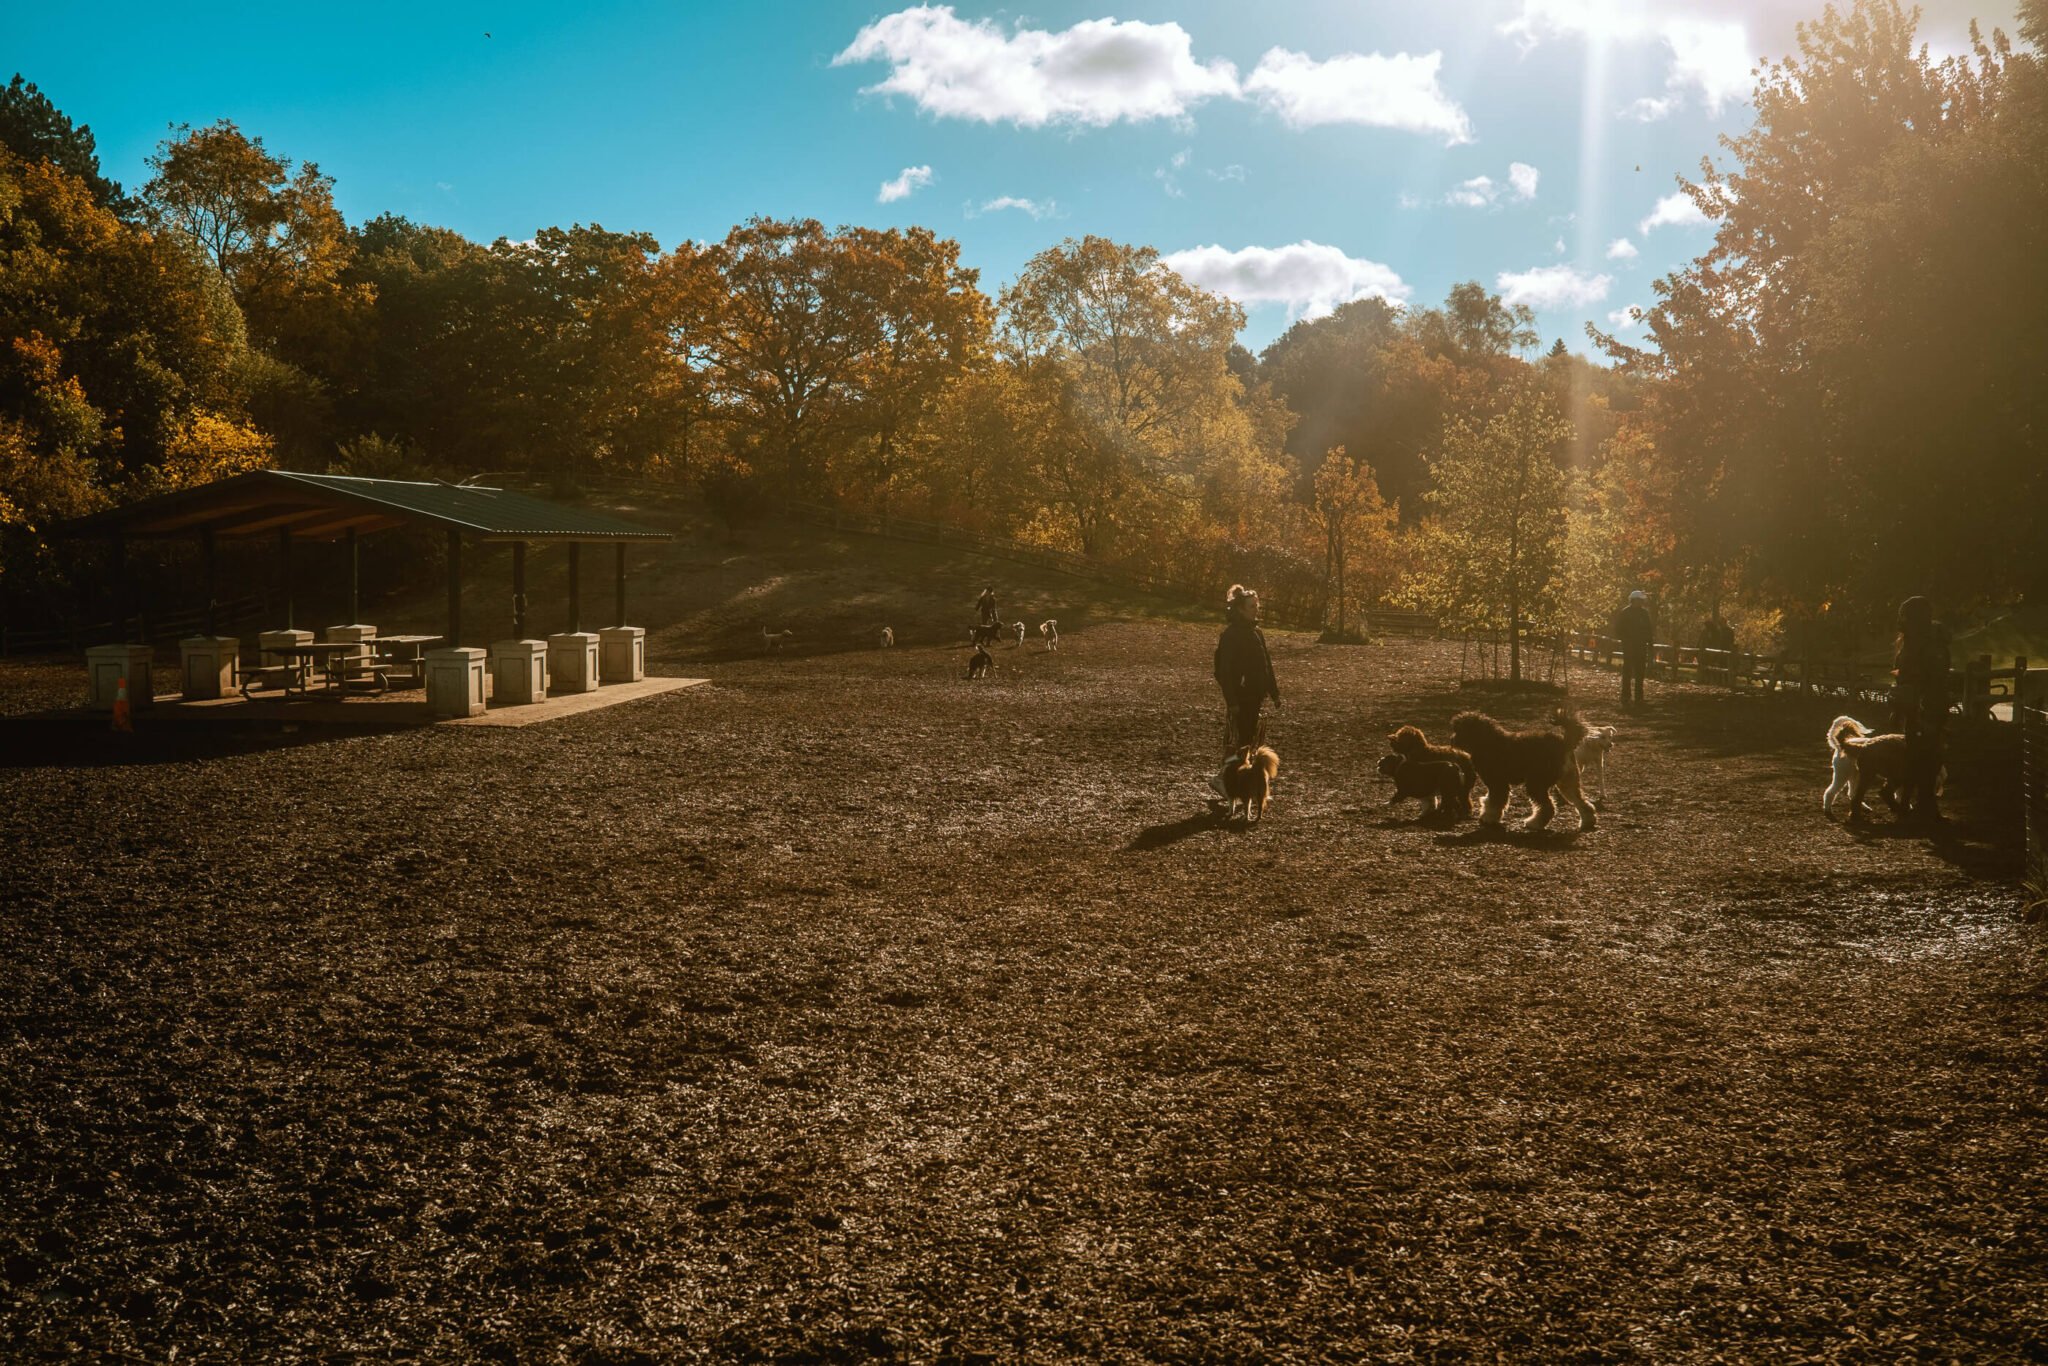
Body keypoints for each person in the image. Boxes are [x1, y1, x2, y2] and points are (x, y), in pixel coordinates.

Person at [1210, 584, 1280, 796]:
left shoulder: (1256, 632)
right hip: (1241, 697)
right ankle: (1223, 778)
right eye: (1252, 606)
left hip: (1255, 695)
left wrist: (1273, 691)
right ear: (1240, 609)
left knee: (1249, 741)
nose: (1256, 609)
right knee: (1238, 741)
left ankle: (1237, 782)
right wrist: (1232, 701)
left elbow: (1266, 663)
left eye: (1257, 606)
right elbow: (1224, 671)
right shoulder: (1231, 635)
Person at [1891, 595, 1952, 824]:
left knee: (1926, 756)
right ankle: (1916, 805)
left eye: (1905, 615)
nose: (1902, 620)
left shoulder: (1926, 643)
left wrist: (1922, 703)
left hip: (1925, 705)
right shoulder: (1914, 640)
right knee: (1918, 755)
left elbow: (1932, 676)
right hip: (1916, 704)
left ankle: (1921, 805)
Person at [1616, 589, 1653, 709]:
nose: (1641, 603)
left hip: (1641, 647)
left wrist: (1649, 641)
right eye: (1640, 600)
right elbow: (1619, 630)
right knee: (1627, 672)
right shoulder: (1625, 613)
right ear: (1634, 600)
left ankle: (1639, 697)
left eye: (1642, 601)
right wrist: (1626, 640)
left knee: (1640, 672)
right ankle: (1626, 696)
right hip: (1629, 647)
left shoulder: (1644, 614)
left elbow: (1648, 629)